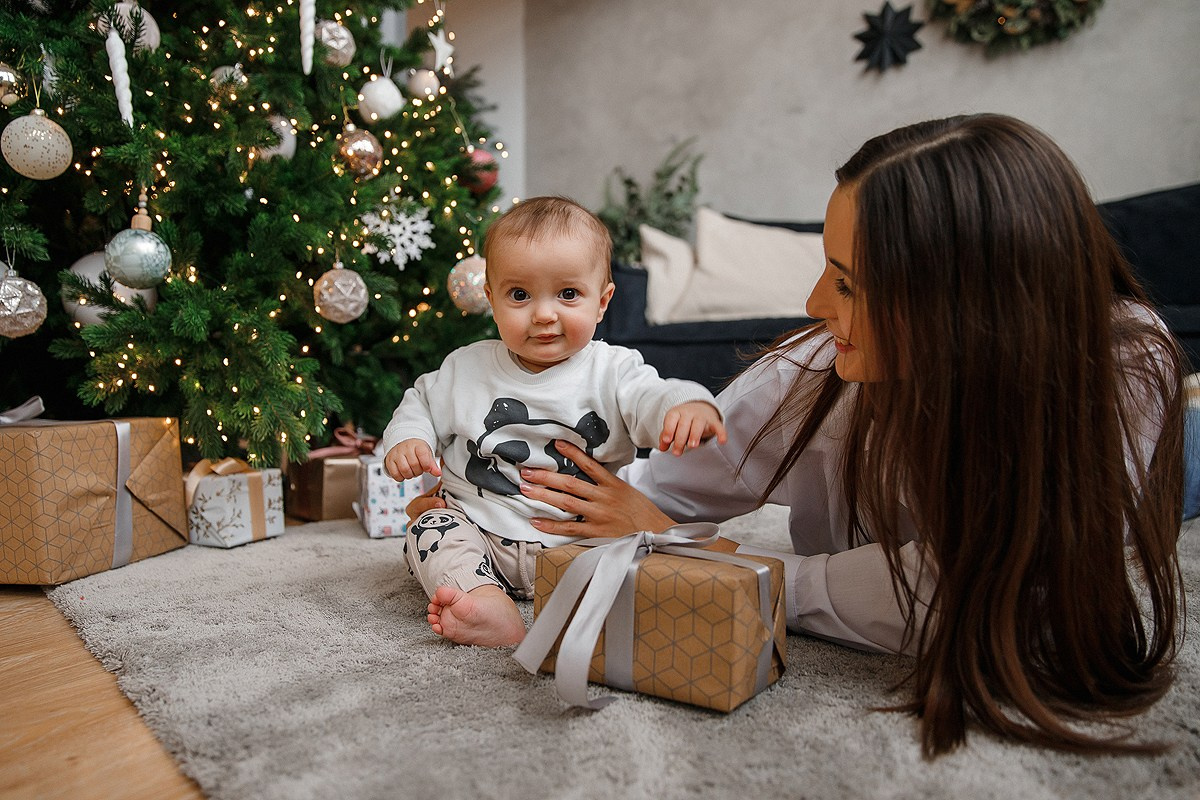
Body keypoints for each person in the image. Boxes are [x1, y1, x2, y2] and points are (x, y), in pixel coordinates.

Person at [412, 115, 1185, 756]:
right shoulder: (819, 368)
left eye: (848, 282)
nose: (816, 301)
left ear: (965, 309)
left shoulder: (1118, 364)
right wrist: (488, 509)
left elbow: (983, 590)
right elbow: (653, 491)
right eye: (827, 266)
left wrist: (734, 565)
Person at [379, 196, 727, 648]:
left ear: (602, 302)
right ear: (491, 298)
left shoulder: (613, 371)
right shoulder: (465, 369)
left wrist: (687, 405)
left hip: (579, 540)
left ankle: (587, 604)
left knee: (639, 560)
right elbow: (419, 404)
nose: (544, 314)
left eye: (567, 294)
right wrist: (408, 438)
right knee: (429, 531)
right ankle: (484, 600)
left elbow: (655, 396)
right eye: (519, 295)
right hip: (482, 528)